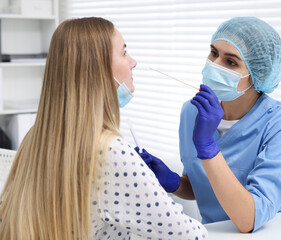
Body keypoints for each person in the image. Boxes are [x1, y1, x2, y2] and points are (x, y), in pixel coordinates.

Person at [0, 17, 208, 240]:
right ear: (96, 69)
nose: (133, 62)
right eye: (124, 52)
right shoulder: (110, 153)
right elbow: (191, 236)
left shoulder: (35, 138)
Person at [136, 16, 281, 233]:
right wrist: (174, 182)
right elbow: (203, 188)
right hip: (216, 233)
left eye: (230, 61)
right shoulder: (192, 112)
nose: (214, 65)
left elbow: (250, 219)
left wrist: (208, 147)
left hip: (271, 231)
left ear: (257, 75)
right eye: (213, 53)